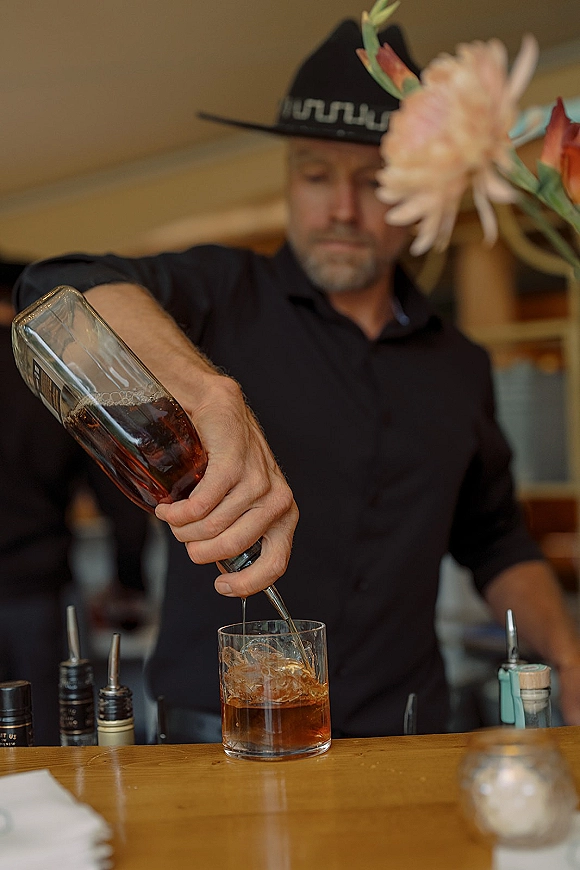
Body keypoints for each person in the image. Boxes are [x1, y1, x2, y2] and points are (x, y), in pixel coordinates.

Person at [14, 20, 580, 741]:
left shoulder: (460, 363)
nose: (341, 209)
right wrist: (206, 389)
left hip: (407, 736)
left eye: (373, 180)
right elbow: (60, 284)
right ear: (289, 178)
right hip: (216, 736)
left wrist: (567, 657)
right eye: (316, 175)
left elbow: (497, 539)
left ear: (417, 190)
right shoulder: (222, 291)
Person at [1, 261, 152, 743]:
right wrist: (128, 581)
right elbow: (118, 485)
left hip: (39, 592)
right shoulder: (45, 373)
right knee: (56, 746)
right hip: (40, 598)